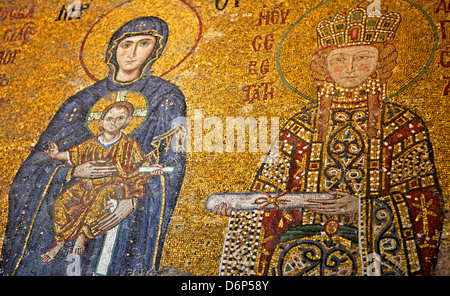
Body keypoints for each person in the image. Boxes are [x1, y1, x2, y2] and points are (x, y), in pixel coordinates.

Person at [215, 7, 443, 276]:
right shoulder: (299, 127)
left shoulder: (403, 125)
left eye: (362, 57)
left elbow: (425, 202)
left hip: (370, 258)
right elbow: (269, 193)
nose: (349, 68)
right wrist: (241, 210)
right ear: (323, 64)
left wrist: (362, 207)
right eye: (339, 59)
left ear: (381, 62)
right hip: (295, 259)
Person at [0, 16, 187, 276]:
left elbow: (171, 165)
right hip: (68, 204)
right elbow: (31, 170)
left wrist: (135, 200)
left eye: (143, 44)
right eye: (125, 45)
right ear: (113, 50)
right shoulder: (79, 102)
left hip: (120, 215)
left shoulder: (164, 98)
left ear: (155, 50)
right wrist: (71, 172)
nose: (132, 53)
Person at [41, 101, 163, 264]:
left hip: (115, 185)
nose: (113, 122)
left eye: (120, 118)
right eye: (109, 118)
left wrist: (151, 168)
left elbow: (140, 163)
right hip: (87, 186)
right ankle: (60, 242)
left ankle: (83, 234)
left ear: (127, 122)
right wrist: (56, 155)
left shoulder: (128, 144)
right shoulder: (91, 143)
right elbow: (72, 155)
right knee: (62, 203)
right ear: (100, 121)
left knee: (103, 197)